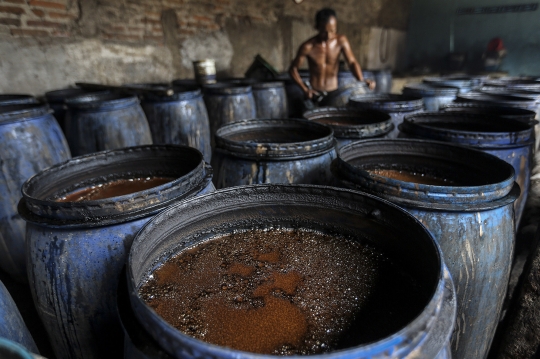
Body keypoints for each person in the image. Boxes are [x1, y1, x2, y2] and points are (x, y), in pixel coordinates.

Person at [289, 8, 375, 107]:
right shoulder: (308, 46)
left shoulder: (341, 41)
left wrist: (362, 80)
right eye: (324, 32)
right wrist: (305, 89)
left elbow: (352, 62)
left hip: (334, 93)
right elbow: (293, 69)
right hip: (315, 95)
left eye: (332, 31)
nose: (329, 36)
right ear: (317, 27)